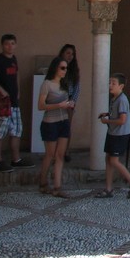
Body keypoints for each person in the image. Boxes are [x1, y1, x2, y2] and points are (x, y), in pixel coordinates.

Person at [0, 34, 35, 173]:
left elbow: (16, 74)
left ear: (16, 45)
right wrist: (1, 90)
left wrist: (17, 91)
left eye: (12, 43)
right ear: (2, 45)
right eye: (7, 44)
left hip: (14, 102)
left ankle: (16, 159)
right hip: (2, 103)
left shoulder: (13, 59)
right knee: (0, 130)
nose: (10, 46)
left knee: (16, 130)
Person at [95, 73, 130, 199]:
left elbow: (122, 120)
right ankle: (108, 188)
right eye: (109, 83)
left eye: (113, 83)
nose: (110, 85)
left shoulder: (122, 100)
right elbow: (116, 114)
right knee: (108, 159)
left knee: (113, 160)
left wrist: (107, 121)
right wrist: (107, 114)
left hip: (120, 134)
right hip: (112, 133)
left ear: (121, 86)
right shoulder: (114, 99)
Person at [37, 56, 74, 198]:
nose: (65, 70)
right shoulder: (47, 84)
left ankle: (57, 187)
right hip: (50, 122)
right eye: (62, 68)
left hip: (63, 120)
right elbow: (40, 106)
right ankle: (43, 183)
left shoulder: (65, 85)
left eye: (66, 68)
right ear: (56, 68)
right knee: (50, 154)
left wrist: (69, 104)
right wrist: (59, 105)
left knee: (60, 155)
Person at [58, 44, 80, 162]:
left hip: (69, 102)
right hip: (57, 101)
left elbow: (77, 87)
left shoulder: (74, 70)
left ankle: (66, 151)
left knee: (67, 127)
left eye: (72, 54)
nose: (70, 56)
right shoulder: (57, 67)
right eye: (68, 53)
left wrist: (73, 102)